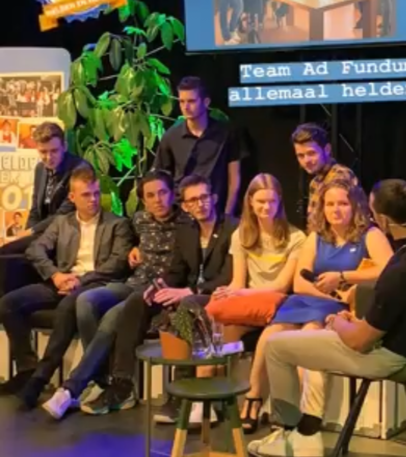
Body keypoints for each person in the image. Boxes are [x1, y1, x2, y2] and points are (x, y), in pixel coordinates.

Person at [247, 178, 406, 457]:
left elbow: (358, 341)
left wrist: (337, 322)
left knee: (276, 346)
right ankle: (301, 433)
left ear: (383, 219)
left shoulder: (400, 270)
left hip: (385, 357)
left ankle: (295, 436)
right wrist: (354, 321)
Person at [79, 174, 237, 420]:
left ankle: (181, 395)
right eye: (192, 200)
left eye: (204, 197)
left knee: (187, 305)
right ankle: (122, 386)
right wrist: (159, 286)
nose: (200, 204)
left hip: (219, 295)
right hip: (190, 294)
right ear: (185, 205)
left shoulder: (232, 229)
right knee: (138, 300)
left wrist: (190, 291)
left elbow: (229, 276)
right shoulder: (187, 230)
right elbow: (177, 270)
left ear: (214, 198)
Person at [41, 170, 188, 420]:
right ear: (143, 200)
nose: (158, 200)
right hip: (132, 283)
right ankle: (100, 378)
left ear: (172, 194)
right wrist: (134, 248)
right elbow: (127, 245)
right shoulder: (139, 219)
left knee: (112, 317)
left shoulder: (185, 224)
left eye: (163, 192)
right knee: (86, 299)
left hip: (155, 292)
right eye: (151, 195)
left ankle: (71, 388)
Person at [0, 166, 133, 403]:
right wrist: (55, 275)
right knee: (8, 304)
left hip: (94, 284)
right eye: (86, 195)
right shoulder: (61, 222)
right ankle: (27, 367)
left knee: (66, 307)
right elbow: (35, 249)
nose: (93, 199)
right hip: (61, 281)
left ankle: (41, 378)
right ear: (72, 197)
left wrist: (80, 280)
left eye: (96, 193)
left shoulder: (117, 223)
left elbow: (117, 263)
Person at [210, 173, 306, 431]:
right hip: (252, 305)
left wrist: (242, 294)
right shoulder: (241, 235)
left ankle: (253, 399)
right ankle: (212, 398)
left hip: (282, 307)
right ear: (250, 202)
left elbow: (282, 286)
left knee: (268, 338)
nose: (266, 207)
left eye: (271, 201)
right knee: (223, 330)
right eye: (261, 201)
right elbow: (238, 282)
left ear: (279, 201)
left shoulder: (296, 237)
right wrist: (228, 292)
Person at [153, 76, 243, 215]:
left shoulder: (225, 134)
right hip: (182, 214)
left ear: (206, 102)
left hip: (217, 212)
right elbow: (160, 178)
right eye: (182, 101)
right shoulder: (171, 136)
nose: (185, 107)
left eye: (191, 101)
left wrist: (227, 215)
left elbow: (234, 180)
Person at [0, 122, 85, 255]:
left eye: (54, 151)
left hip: (67, 234)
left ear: (65, 147)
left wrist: (31, 232)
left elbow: (65, 214)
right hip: (42, 234)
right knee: (11, 253)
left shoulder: (79, 170)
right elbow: (35, 209)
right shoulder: (40, 168)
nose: (49, 157)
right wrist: (26, 235)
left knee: (6, 253)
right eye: (43, 152)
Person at [292, 123, 358, 227]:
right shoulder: (314, 183)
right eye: (300, 156)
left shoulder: (341, 176)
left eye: (311, 153)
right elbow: (314, 223)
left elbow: (341, 224)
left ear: (327, 149)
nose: (306, 160)